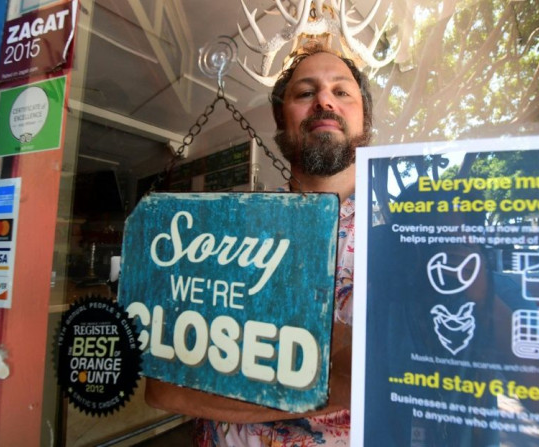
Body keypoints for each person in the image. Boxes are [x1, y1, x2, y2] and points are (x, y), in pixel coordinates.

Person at [144, 42, 373, 446]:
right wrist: (341, 371)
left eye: (341, 91)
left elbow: (406, 380)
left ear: (364, 118)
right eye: (305, 93)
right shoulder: (227, 233)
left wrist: (254, 359)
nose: (324, 101)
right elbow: (166, 387)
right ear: (282, 123)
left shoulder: (408, 235)